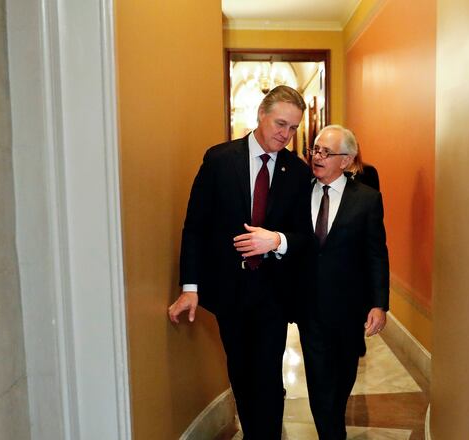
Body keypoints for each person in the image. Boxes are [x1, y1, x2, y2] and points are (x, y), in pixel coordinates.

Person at [167, 85, 311, 439]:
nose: (286, 134)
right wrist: (190, 288)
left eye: (293, 128)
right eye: (280, 123)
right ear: (260, 115)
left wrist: (276, 240)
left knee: (266, 375)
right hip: (229, 291)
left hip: (273, 292)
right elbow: (195, 226)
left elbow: (307, 238)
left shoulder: (297, 171)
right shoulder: (219, 160)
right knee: (242, 374)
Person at [298, 125, 390, 440]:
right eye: (315, 149)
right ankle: (333, 434)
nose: (317, 157)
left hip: (350, 308)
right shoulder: (297, 193)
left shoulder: (367, 200)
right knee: (319, 378)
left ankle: (332, 423)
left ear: (346, 160)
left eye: (326, 152)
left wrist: (379, 303)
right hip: (308, 305)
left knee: (342, 377)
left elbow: (377, 254)